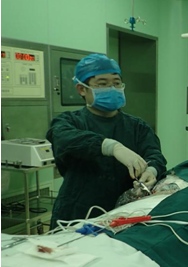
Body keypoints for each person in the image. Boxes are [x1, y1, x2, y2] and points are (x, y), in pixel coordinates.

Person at [46, 54, 166, 228]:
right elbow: (63, 138)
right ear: (82, 89)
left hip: (125, 212)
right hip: (77, 213)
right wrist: (110, 146)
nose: (112, 88)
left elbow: (155, 155)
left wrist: (152, 170)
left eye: (116, 83)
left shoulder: (137, 127)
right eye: (102, 84)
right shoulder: (69, 121)